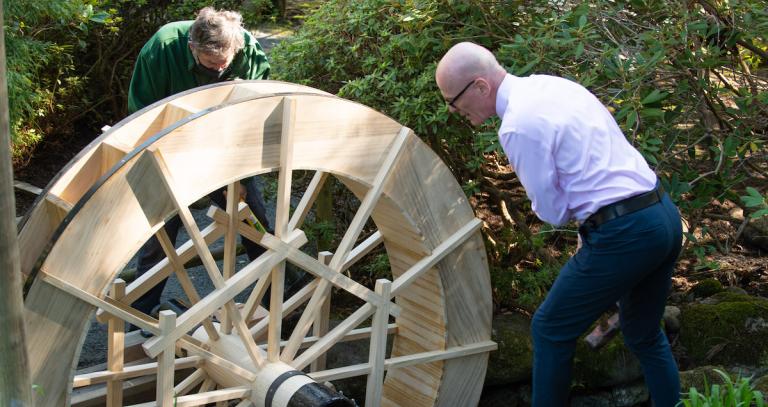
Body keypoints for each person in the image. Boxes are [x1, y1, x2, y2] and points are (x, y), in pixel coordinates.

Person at [435, 42, 682, 406]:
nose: (454, 110)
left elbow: (552, 211)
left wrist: (589, 221)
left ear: (480, 87)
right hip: (661, 215)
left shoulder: (518, 126)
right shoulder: (553, 86)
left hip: (625, 232)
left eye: (453, 101)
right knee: (643, 333)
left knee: (549, 329)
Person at [127, 7, 272, 320]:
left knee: (253, 219)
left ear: (237, 47)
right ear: (192, 48)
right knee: (160, 234)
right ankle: (139, 313)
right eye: (211, 64)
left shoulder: (246, 48)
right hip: (169, 149)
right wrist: (162, 163)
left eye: (225, 63)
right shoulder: (162, 48)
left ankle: (279, 300)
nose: (220, 69)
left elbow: (257, 109)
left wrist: (242, 175)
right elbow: (141, 114)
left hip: (226, 148)